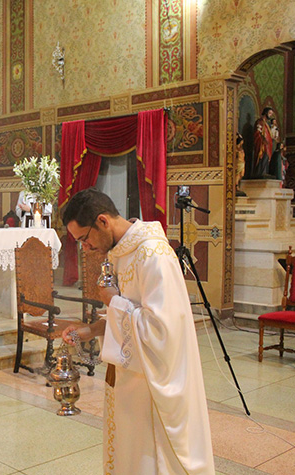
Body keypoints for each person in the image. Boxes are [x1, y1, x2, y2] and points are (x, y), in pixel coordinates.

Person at [60, 189, 214, 474]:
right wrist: (90, 331)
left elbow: (162, 331)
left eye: (85, 238)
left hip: (153, 384)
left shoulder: (153, 255)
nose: (86, 248)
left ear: (103, 221)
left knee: (149, 457)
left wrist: (112, 300)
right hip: (130, 377)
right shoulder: (121, 251)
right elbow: (129, 314)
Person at [249, 107, 281, 179]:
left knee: (266, 159)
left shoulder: (266, 124)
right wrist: (263, 140)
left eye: (271, 114)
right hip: (262, 145)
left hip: (267, 146)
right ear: (266, 113)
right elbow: (257, 132)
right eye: (270, 113)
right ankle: (260, 173)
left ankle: (265, 172)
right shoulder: (260, 122)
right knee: (262, 158)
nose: (270, 115)